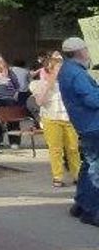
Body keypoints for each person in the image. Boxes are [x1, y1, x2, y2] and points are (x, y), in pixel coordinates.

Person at [57, 37, 99, 226]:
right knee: (94, 166)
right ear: (80, 52)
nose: (88, 52)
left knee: (88, 164)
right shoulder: (78, 73)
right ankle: (91, 210)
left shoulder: (67, 70)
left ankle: (81, 204)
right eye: (86, 49)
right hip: (93, 124)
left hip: (85, 124)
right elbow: (92, 101)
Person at [30, 52, 80, 188]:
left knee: (73, 148)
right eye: (56, 67)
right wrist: (52, 79)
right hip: (51, 119)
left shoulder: (69, 82)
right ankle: (58, 177)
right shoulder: (39, 84)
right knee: (56, 149)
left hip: (69, 119)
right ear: (48, 68)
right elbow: (40, 101)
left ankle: (77, 175)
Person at [0, 56, 21, 150]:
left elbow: (17, 86)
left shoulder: (10, 73)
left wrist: (15, 95)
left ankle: (14, 142)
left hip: (10, 101)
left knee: (13, 122)